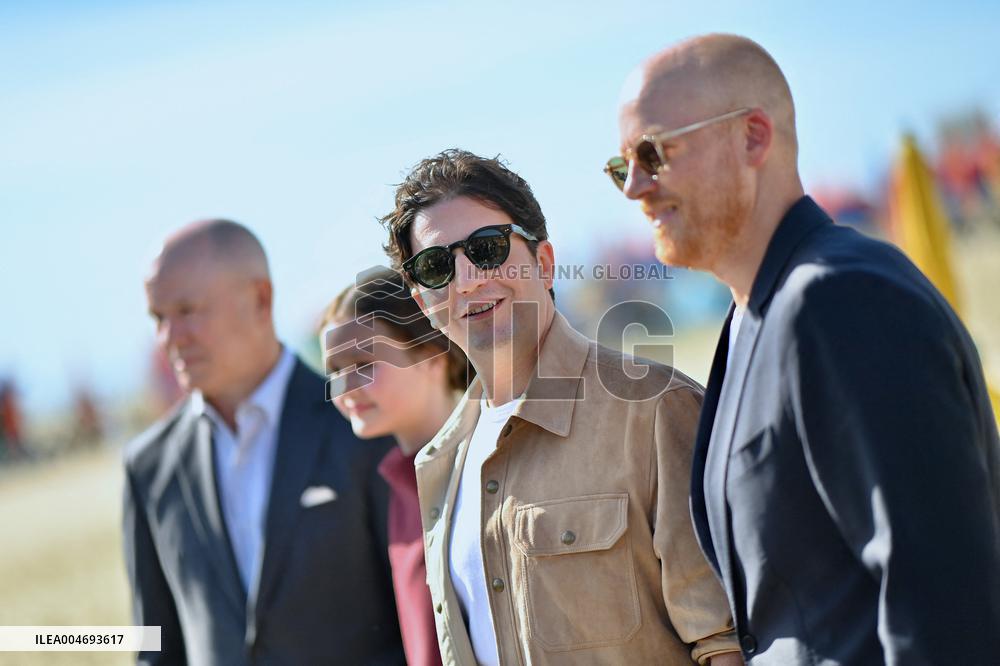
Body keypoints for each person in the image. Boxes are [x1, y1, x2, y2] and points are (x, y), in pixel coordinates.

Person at [612, 33, 1000, 664]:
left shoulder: (840, 299)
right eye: (620, 165)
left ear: (754, 137)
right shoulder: (750, 320)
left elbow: (943, 598)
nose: (634, 186)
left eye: (653, 152)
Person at [380, 149, 742, 665]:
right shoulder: (443, 462)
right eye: (436, 266)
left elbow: (725, 642)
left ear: (544, 262)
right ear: (423, 303)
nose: (467, 279)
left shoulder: (654, 412)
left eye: (487, 248)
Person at [123, 219, 404, 665]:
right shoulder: (147, 466)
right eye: (159, 318)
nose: (169, 339)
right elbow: (157, 645)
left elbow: (419, 625)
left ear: (260, 299)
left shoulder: (363, 427)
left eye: (187, 310)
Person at [320, 266, 474, 666]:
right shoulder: (398, 486)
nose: (345, 387)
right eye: (334, 370)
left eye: (364, 363)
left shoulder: (483, 468)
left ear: (432, 356)